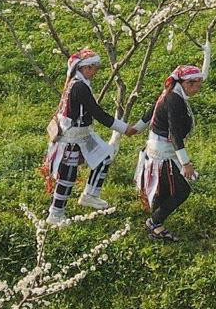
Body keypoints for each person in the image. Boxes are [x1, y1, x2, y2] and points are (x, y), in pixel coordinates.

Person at [42, 49, 144, 225]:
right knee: (67, 176)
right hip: (71, 137)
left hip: (82, 133)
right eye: (94, 68)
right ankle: (55, 214)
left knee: (105, 157)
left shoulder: (78, 82)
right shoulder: (80, 86)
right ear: (86, 68)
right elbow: (97, 112)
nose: (96, 71)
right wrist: (124, 128)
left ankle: (90, 195)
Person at [134, 63, 205, 243]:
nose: (199, 88)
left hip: (157, 148)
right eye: (197, 84)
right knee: (182, 191)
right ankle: (154, 222)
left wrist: (133, 129)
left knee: (164, 187)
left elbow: (149, 115)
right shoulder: (174, 99)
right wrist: (185, 163)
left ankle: (156, 222)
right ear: (187, 84)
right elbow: (174, 134)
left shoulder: (169, 93)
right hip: (163, 153)